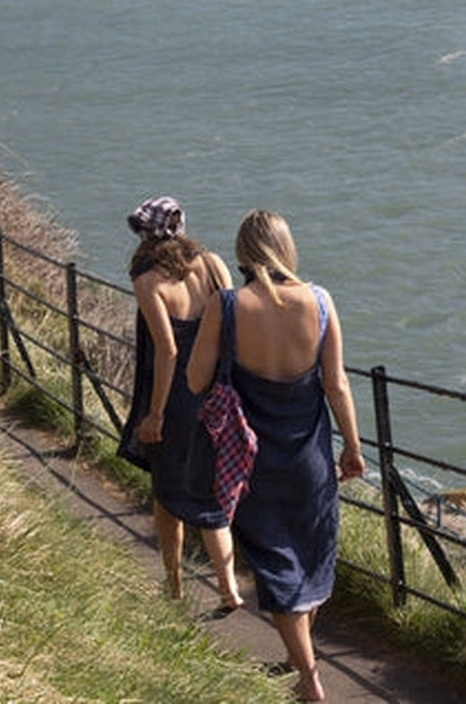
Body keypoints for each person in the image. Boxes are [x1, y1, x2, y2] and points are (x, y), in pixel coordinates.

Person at [186, 209, 365, 703]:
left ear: (243, 253)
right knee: (310, 559)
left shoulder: (226, 305)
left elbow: (196, 381)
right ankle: (301, 662)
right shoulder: (321, 302)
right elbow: (337, 384)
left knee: (275, 562)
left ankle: (307, 678)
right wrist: (352, 445)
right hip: (310, 457)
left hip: (251, 462)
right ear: (287, 248)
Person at [119, 195, 243, 614]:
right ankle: (228, 589)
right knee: (211, 495)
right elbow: (233, 324)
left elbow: (167, 352)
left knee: (167, 493)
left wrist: (155, 414)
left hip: (176, 398)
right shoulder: (211, 263)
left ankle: (174, 587)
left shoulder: (147, 279)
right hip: (217, 391)